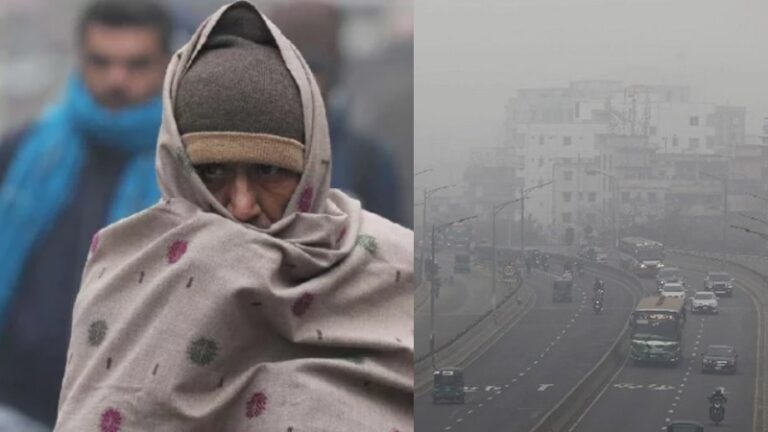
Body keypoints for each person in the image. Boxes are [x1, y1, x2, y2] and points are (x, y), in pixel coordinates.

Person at [54, 2, 413, 431]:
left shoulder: (392, 272)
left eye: (268, 171)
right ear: (177, 169)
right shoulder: (129, 271)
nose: (241, 205)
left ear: (310, 167)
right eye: (212, 173)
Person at [0, 1, 170, 426]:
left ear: (166, 63)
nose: (117, 79)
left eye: (136, 64)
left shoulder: (187, 174)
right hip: (17, 401)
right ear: (81, 58)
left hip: (130, 411)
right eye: (102, 62)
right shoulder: (24, 152)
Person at [269, 2, 405, 226]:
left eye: (313, 68)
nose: (304, 82)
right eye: (290, 69)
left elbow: (394, 248)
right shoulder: (252, 155)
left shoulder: (368, 160)